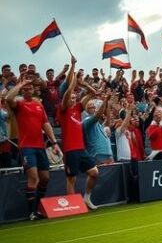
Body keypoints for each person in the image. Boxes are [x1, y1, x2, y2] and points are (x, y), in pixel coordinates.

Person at [5, 69, 61, 219]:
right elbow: (8, 98)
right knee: (34, 178)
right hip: (27, 147)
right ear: (22, 91)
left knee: (45, 178)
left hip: (40, 146)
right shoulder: (19, 104)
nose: (28, 90)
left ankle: (38, 208)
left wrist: (54, 142)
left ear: (33, 90)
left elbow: (46, 124)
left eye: (30, 88)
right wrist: (21, 83)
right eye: (25, 89)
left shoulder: (38, 105)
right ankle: (31, 212)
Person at [58, 57, 99, 209]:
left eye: (75, 97)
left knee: (94, 172)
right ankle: (71, 207)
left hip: (81, 149)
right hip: (70, 150)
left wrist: (84, 84)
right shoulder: (62, 110)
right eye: (72, 97)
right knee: (71, 179)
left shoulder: (77, 108)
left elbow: (93, 93)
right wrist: (74, 78)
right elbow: (67, 94)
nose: (74, 99)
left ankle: (86, 198)